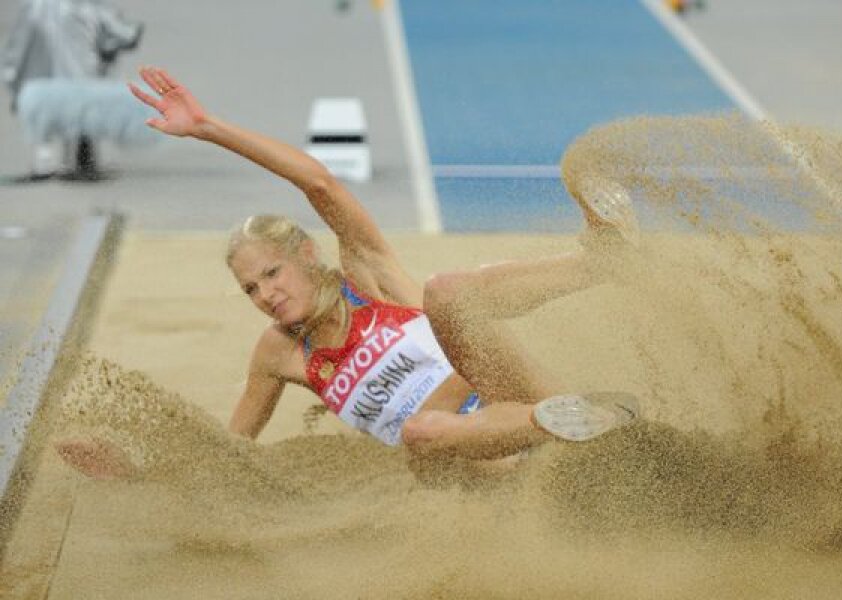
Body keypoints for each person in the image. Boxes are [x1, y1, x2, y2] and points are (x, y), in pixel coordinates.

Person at [57, 66, 641, 480]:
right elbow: (229, 453)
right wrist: (136, 472)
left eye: (271, 273)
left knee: (445, 292)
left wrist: (210, 128)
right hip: (473, 463)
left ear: (308, 254)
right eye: (250, 289)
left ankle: (600, 263)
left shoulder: (369, 279)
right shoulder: (279, 355)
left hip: (508, 393)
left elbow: (318, 183)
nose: (265, 294)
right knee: (422, 433)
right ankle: (558, 426)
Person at [1, 0, 143, 180]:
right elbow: (124, 36)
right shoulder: (88, 6)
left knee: (45, 121)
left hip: (41, 82)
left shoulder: (33, 6)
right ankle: (82, 165)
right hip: (80, 79)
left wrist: (13, 82)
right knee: (83, 115)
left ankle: (44, 166)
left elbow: (16, 47)